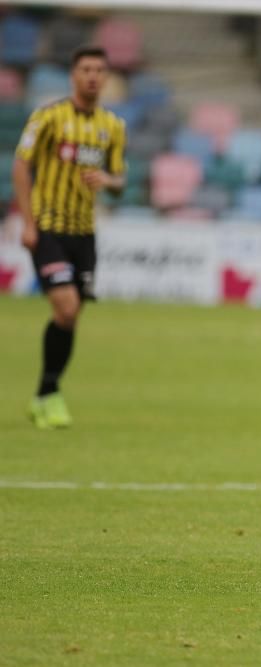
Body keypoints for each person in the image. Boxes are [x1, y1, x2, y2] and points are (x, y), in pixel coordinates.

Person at [14, 45, 126, 429]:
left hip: (84, 233)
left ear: (106, 78)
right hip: (48, 227)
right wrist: (28, 222)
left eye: (99, 70)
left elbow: (120, 181)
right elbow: (21, 164)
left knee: (71, 315)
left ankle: (46, 393)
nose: (93, 76)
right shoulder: (48, 117)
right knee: (65, 307)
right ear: (73, 76)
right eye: (85, 69)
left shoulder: (113, 126)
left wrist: (108, 180)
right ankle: (50, 394)